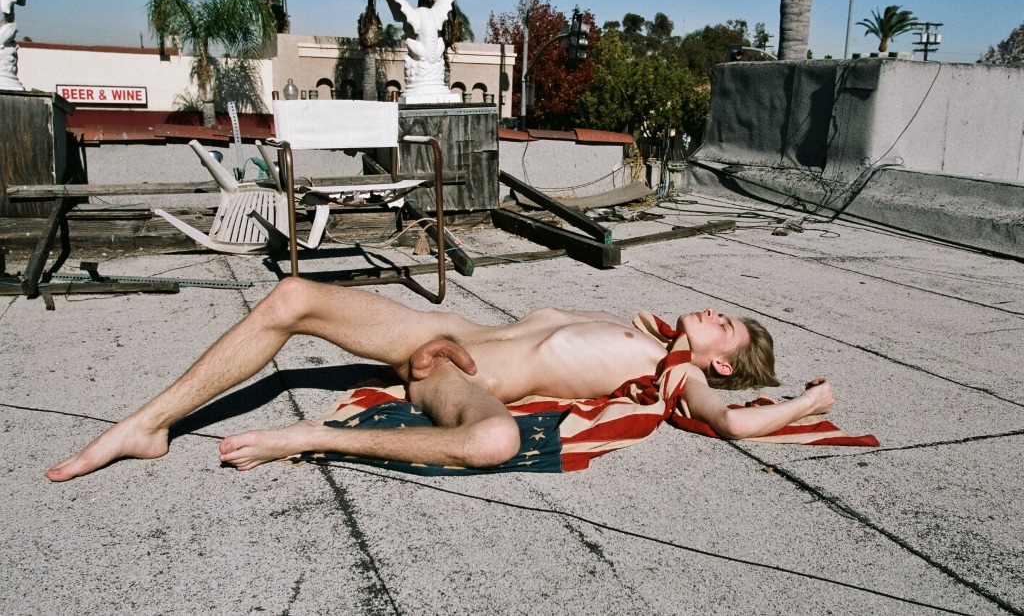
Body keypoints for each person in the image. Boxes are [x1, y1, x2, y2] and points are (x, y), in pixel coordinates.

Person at [45, 278, 835, 482]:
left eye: (722, 323)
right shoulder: (639, 334)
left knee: (495, 437)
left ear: (722, 362)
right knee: (290, 297)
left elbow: (732, 423)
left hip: (457, 379)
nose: (709, 312)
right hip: (439, 336)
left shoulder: (677, 378)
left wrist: (807, 401)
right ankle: (143, 426)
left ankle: (308, 436)